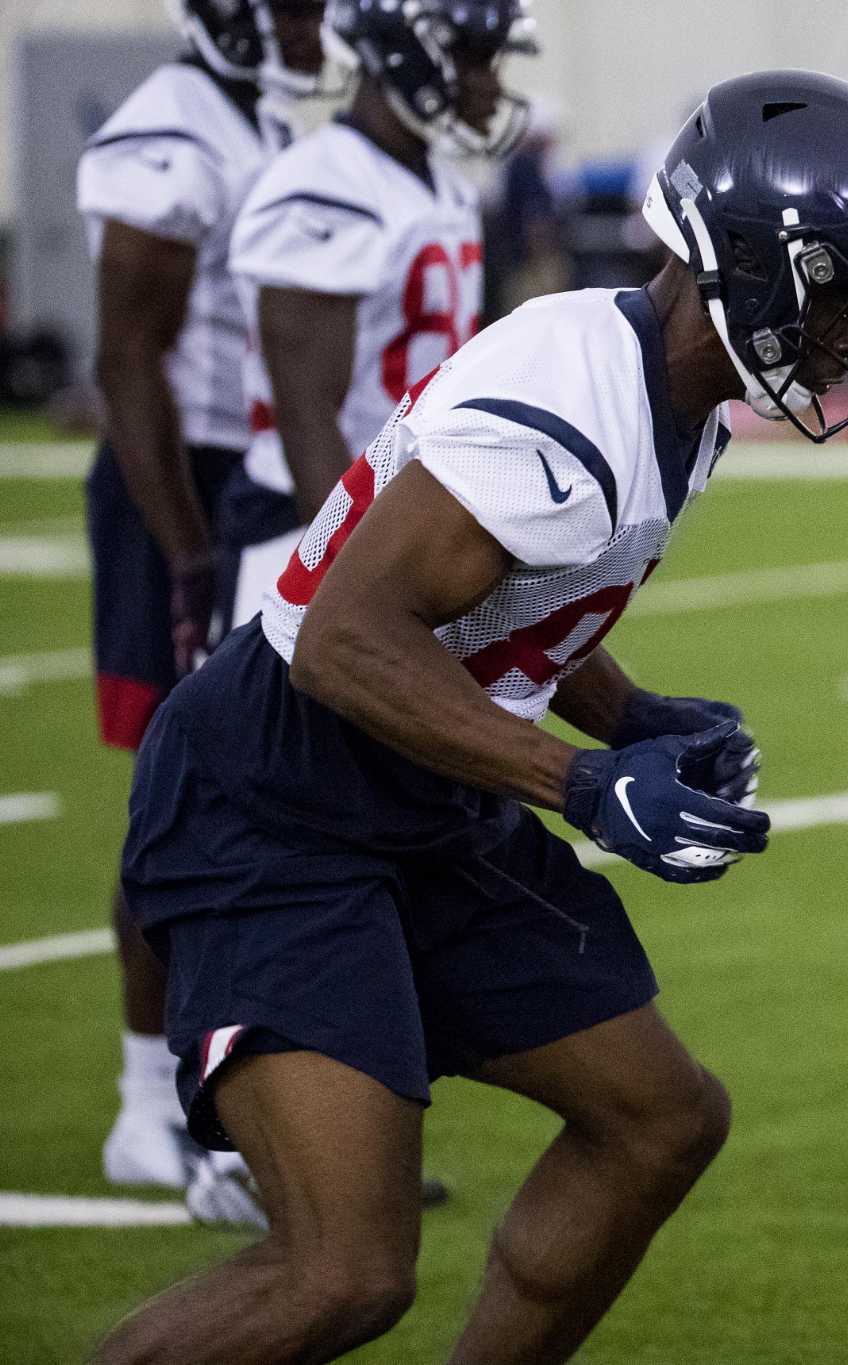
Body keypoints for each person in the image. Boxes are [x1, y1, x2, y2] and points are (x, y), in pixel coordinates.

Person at [95, 70, 848, 1365]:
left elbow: (508, 604)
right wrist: (583, 783)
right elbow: (346, 640)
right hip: (279, 795)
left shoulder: (666, 389)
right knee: (344, 1269)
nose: (845, 342)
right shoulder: (572, 393)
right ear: (753, 265)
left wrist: (632, 713)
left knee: (659, 1117)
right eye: (835, 301)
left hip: (417, 789)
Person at [77, 0, 330, 1226]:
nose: (313, 23)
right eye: (292, 4)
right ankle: (149, 1105)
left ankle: (283, 1112)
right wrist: (185, 551)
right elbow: (128, 358)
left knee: (274, 790)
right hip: (180, 484)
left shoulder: (261, 115)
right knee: (184, 793)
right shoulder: (169, 130)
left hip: (254, 479)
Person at [216, 0, 536, 636]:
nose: (492, 82)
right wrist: (360, 577)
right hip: (306, 533)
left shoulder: (440, 182)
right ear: (408, 52)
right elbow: (307, 417)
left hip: (395, 514)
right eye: (474, 58)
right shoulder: (328, 183)